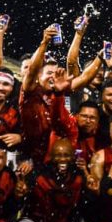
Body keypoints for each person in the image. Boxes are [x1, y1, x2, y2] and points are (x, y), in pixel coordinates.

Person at [19, 25, 79, 165]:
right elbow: (32, 71)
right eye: (48, 73)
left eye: (55, 73)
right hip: (29, 160)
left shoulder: (58, 94)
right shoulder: (30, 91)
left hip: (53, 161)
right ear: (39, 77)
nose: (52, 77)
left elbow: (81, 78)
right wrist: (45, 42)